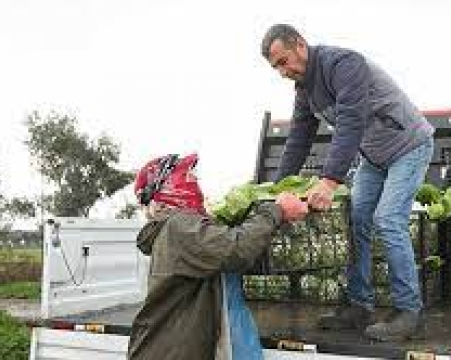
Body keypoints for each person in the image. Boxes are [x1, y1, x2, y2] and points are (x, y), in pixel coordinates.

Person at [260, 24, 435, 341]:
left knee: (389, 219)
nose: (282, 72)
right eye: (276, 68)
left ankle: (410, 311)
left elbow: (351, 122)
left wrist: (329, 181)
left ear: (300, 44)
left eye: (283, 62)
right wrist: (279, 187)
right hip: (375, 158)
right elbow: (299, 138)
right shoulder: (305, 90)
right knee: (356, 221)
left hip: (409, 146)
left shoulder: (344, 64)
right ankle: (359, 305)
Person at [127, 153, 309, 360]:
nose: (195, 181)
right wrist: (275, 210)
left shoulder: (176, 229)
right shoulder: (179, 227)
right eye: (189, 176)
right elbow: (237, 250)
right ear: (169, 186)